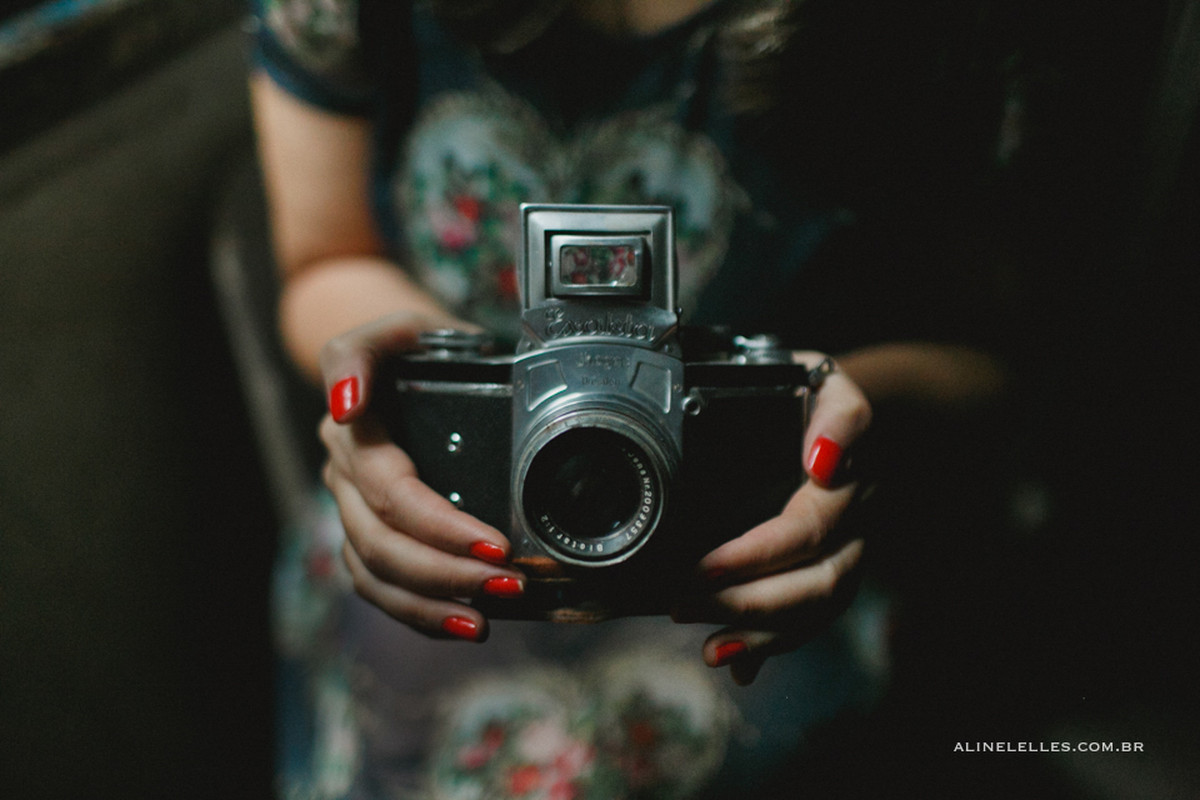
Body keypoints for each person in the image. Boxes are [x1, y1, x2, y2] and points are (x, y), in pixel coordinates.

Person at [249, 0, 1011, 796]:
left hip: (785, 531)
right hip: (450, 500)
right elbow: (324, 261)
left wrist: (837, 420)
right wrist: (425, 395)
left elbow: (1007, 354)